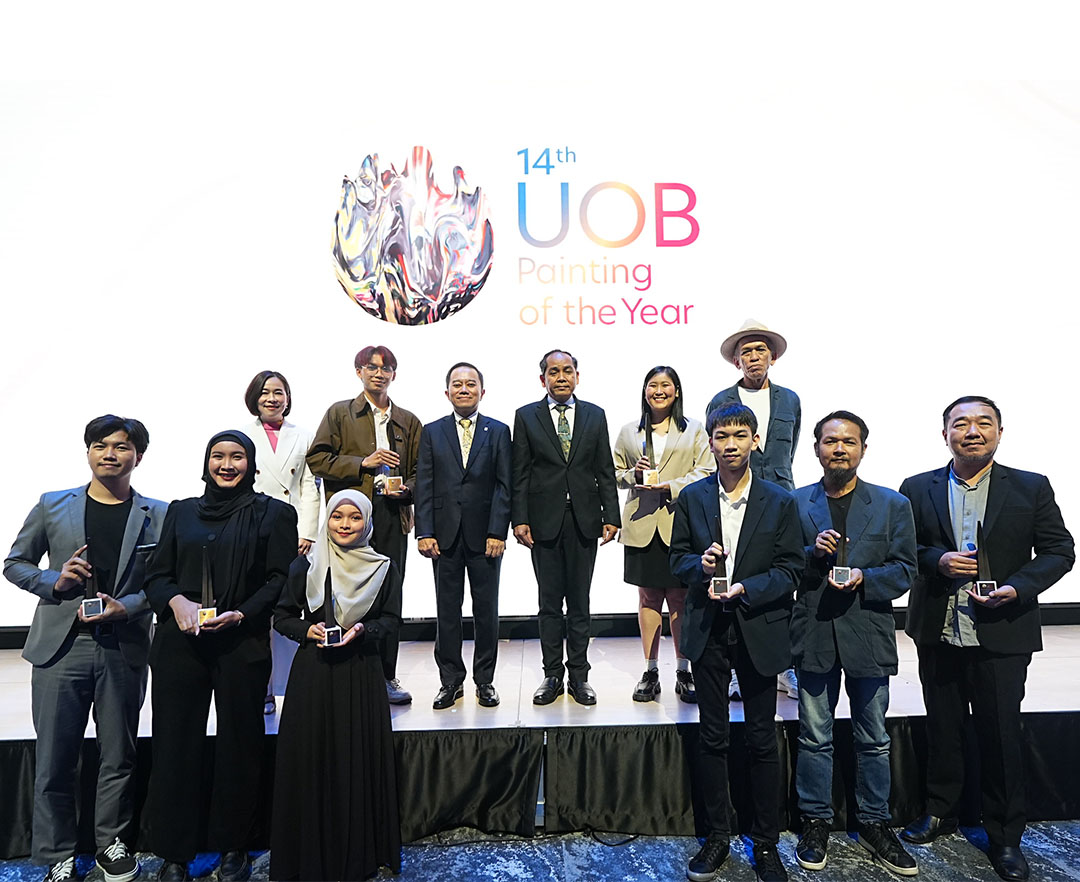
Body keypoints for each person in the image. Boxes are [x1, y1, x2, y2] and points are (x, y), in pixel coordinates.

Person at [898, 396, 1074, 882]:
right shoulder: (917, 486)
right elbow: (901, 547)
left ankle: (1005, 836)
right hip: (938, 629)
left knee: (1001, 735)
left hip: (1003, 631)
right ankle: (940, 810)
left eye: (983, 423)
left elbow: (1059, 550)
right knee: (943, 727)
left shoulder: (1030, 486)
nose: (972, 431)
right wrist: (936, 560)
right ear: (945, 434)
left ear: (999, 431)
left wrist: (1018, 587)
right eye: (961, 424)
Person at [4, 416, 166, 882]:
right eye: (100, 445)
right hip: (61, 648)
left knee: (119, 754)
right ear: (89, 451)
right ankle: (56, 852)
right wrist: (54, 582)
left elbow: (163, 582)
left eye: (121, 446)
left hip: (122, 647)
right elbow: (15, 563)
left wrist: (126, 607)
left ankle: (110, 843)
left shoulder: (159, 513)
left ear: (138, 456)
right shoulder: (53, 504)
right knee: (55, 758)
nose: (110, 453)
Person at [144, 431, 298, 882]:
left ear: (251, 464)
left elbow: (280, 579)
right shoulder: (181, 511)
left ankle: (235, 846)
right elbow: (157, 576)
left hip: (240, 642)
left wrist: (242, 613)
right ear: (206, 462)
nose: (226, 465)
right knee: (174, 745)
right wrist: (177, 602)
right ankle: (175, 852)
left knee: (240, 745)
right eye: (218, 456)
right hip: (181, 644)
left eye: (237, 457)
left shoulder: (275, 513)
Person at [670, 403, 803, 882]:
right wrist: (699, 567)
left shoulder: (779, 500)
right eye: (722, 435)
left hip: (758, 625)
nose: (730, 444)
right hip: (708, 628)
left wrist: (749, 587)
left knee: (763, 738)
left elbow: (791, 569)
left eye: (740, 435)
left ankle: (765, 843)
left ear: (755, 441)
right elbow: (677, 560)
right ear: (709, 441)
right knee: (712, 735)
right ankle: (718, 837)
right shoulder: (692, 497)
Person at [790, 412, 918, 875]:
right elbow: (783, 568)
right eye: (830, 441)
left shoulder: (892, 503)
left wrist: (866, 576)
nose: (839, 448)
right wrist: (812, 556)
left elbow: (906, 569)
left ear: (863, 447)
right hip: (815, 631)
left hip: (868, 631)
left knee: (874, 737)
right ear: (816, 449)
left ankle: (875, 822)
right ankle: (815, 821)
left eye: (849, 441)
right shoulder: (795, 503)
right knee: (814, 735)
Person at [270, 490, 402, 881]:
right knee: (312, 758)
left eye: (354, 517)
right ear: (326, 520)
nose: (345, 524)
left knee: (355, 758)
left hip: (360, 673)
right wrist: (306, 630)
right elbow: (282, 616)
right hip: (313, 675)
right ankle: (311, 853)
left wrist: (363, 630)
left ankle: (358, 854)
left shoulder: (383, 567)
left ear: (367, 522)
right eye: (337, 516)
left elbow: (391, 620)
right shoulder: (305, 566)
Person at [307, 345, 422, 705]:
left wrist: (407, 490)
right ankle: (340, 670)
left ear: (394, 375)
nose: (378, 373)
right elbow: (317, 460)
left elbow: (422, 472)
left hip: (392, 515)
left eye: (386, 368)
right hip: (350, 519)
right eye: (371, 367)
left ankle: (386, 676)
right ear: (358, 372)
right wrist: (362, 463)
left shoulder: (408, 420)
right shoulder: (340, 413)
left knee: (389, 595)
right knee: (343, 592)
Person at [512, 349, 620, 706]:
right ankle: (552, 675)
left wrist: (611, 516)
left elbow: (604, 469)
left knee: (579, 602)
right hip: (543, 522)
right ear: (542, 378)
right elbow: (520, 473)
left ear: (577, 376)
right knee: (548, 604)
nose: (561, 377)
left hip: (584, 521)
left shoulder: (594, 415)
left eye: (567, 371)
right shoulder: (526, 416)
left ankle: (579, 676)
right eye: (554, 371)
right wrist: (520, 518)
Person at [705, 318, 801, 702]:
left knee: (781, 582)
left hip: (779, 500)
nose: (754, 356)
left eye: (761, 349)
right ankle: (734, 670)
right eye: (746, 351)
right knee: (735, 579)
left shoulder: (790, 399)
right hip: (735, 501)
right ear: (736, 361)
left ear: (773, 357)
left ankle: (784, 666)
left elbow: (789, 449)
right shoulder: (721, 400)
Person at [415, 362, 512, 709]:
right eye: (457, 384)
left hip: (486, 537)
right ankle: (450, 681)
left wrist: (497, 531)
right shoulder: (432, 431)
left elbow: (504, 485)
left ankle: (484, 681)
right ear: (447, 392)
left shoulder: (498, 431)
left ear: (482, 391)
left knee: (487, 611)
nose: (464, 389)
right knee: (447, 611)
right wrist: (424, 531)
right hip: (444, 537)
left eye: (471, 384)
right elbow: (424, 484)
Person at [613, 366, 712, 703]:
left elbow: (706, 471)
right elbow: (613, 473)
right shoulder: (629, 431)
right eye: (652, 385)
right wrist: (633, 474)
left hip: (679, 523)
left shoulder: (694, 429)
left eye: (665, 385)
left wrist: (671, 486)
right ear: (644, 391)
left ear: (677, 391)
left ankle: (684, 670)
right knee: (648, 599)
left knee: (681, 599)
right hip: (641, 524)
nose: (659, 391)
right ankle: (651, 670)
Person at [244, 370, 320, 714]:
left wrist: (308, 532)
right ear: (254, 398)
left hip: (291, 532)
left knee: (287, 611)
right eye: (265, 392)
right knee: (255, 611)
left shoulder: (303, 435)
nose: (272, 399)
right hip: (251, 529)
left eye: (279, 392)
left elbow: (309, 487)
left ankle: (289, 686)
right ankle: (260, 687)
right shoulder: (242, 436)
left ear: (288, 398)